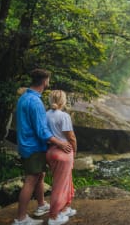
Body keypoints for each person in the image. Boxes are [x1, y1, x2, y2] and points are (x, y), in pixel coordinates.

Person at [13, 69, 72, 225]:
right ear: (45, 81)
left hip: (25, 144)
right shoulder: (35, 102)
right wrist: (60, 143)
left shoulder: (24, 97)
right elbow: (42, 131)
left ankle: (41, 205)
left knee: (40, 176)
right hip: (34, 146)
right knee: (31, 180)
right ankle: (21, 219)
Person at [46, 90, 77, 225]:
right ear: (63, 101)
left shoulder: (45, 115)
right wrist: (75, 152)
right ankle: (53, 217)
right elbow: (71, 137)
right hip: (64, 152)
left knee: (66, 181)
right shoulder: (64, 116)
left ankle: (65, 208)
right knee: (60, 185)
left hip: (50, 152)